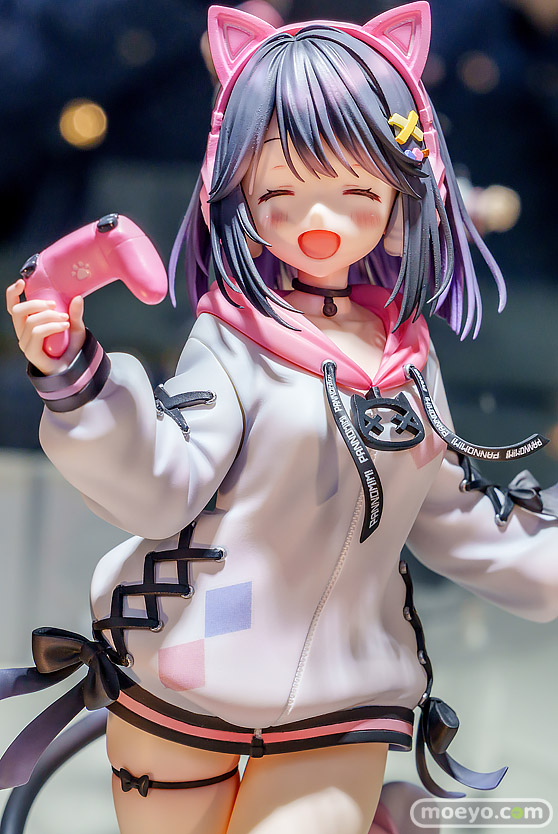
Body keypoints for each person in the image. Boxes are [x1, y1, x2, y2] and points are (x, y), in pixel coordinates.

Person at [4, 3, 558, 833]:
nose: (319, 225)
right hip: (185, 677)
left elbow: (450, 509)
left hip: (344, 694)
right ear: (240, 192)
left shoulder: (407, 358)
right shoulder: (232, 340)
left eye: (356, 192)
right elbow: (160, 485)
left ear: (404, 187)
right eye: (281, 194)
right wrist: (77, 378)